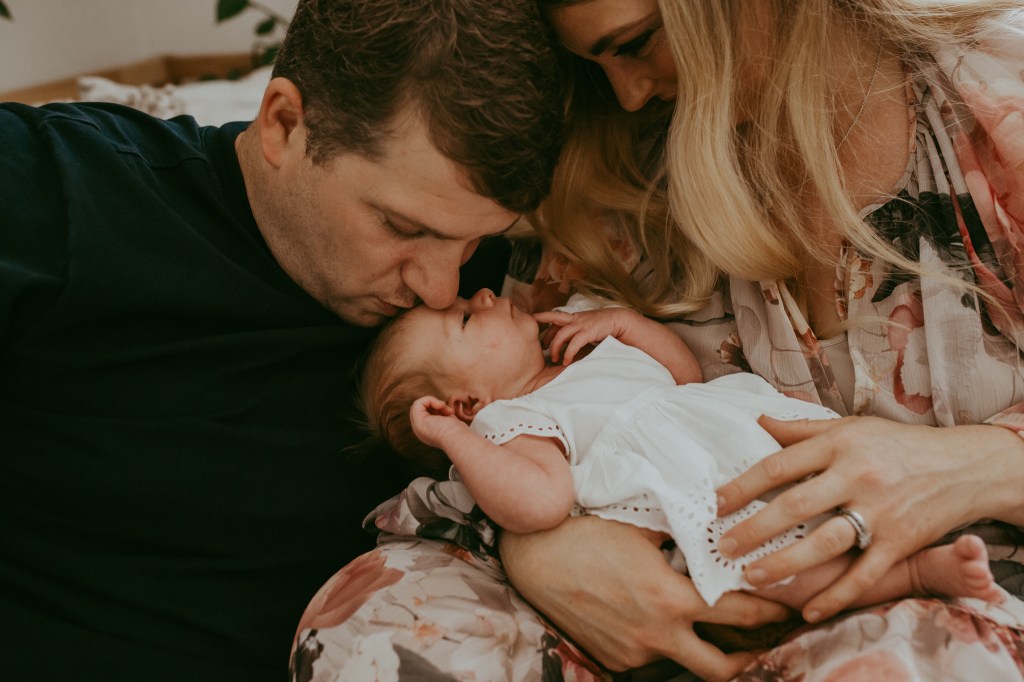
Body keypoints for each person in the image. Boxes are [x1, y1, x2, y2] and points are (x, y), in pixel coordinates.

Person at [292, 1, 1024, 681]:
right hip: (658, 577)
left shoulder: (998, 103)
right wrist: (541, 550)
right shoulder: (612, 158)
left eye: (638, 42)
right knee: (376, 623)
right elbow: (504, 415)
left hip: (946, 585)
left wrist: (973, 466)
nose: (629, 95)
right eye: (592, 64)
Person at [0, 0, 565, 680]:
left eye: (475, 241)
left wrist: (553, 549)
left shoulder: (483, 304)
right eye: (402, 228)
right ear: (284, 124)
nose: (443, 288)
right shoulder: (62, 191)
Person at [364, 288, 1006, 614]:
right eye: (466, 319)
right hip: (695, 485)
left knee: (836, 479)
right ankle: (916, 576)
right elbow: (539, 502)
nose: (481, 295)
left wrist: (627, 326)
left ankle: (930, 530)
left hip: (736, 430)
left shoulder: (575, 346)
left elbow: (681, 377)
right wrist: (453, 440)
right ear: (466, 404)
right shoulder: (514, 422)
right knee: (765, 559)